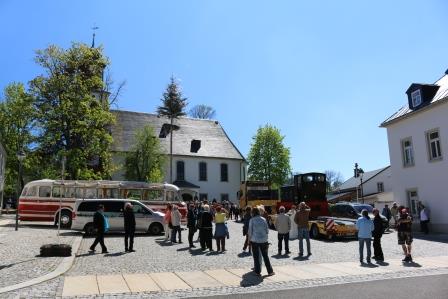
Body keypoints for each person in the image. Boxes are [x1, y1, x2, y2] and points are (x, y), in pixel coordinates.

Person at [248, 207, 275, 277]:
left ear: (253, 213)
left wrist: (249, 240)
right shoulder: (264, 219)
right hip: (264, 240)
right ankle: (270, 271)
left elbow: (250, 232)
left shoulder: (252, 220)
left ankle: (257, 272)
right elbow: (267, 231)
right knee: (265, 256)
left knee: (256, 257)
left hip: (255, 240)